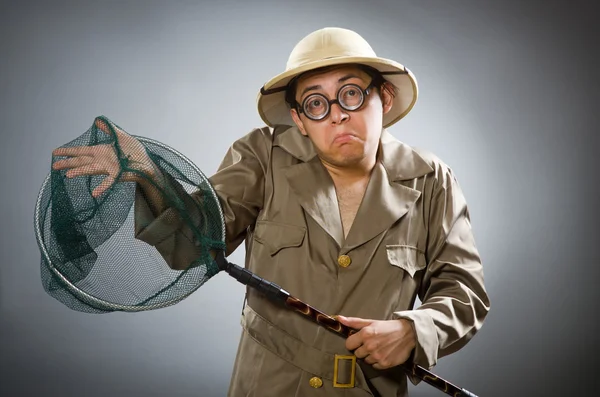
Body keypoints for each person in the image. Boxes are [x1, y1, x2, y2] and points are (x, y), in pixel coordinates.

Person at [52, 27, 490, 397]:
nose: (337, 115)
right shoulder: (262, 155)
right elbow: (196, 242)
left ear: (385, 97)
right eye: (316, 103)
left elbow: (464, 291)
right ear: (299, 120)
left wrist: (414, 331)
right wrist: (151, 176)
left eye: (351, 94)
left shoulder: (433, 180)